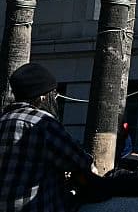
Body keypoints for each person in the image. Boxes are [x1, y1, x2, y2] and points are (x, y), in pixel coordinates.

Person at [0, 62, 98, 211]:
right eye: (55, 95)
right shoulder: (43, 123)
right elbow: (82, 162)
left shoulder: (2, 120)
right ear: (42, 98)